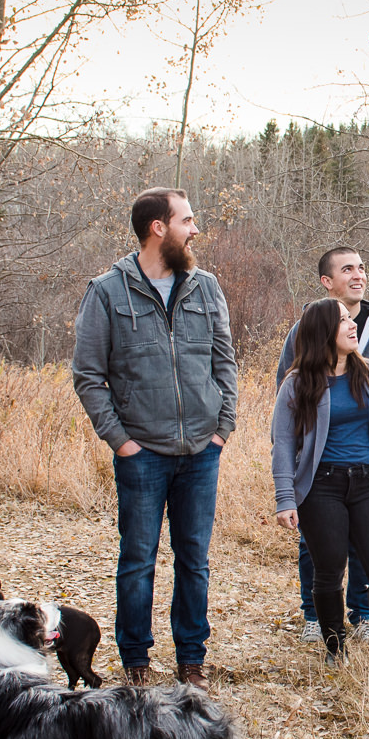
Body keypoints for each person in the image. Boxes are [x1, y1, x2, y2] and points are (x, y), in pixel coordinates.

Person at [71, 187, 238, 690]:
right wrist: (120, 440)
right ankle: (136, 662)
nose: (195, 229)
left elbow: (224, 360)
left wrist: (222, 429)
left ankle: (192, 660)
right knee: (138, 559)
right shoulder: (107, 291)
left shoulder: (205, 287)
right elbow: (87, 374)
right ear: (158, 228)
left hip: (201, 453)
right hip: (141, 453)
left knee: (194, 559)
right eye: (187, 220)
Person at [270, 298, 369, 665]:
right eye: (342, 321)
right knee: (330, 568)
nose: (352, 325)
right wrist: (285, 498)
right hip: (320, 487)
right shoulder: (298, 383)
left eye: (350, 319)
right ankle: (335, 648)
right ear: (323, 331)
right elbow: (283, 442)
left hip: (367, 484)